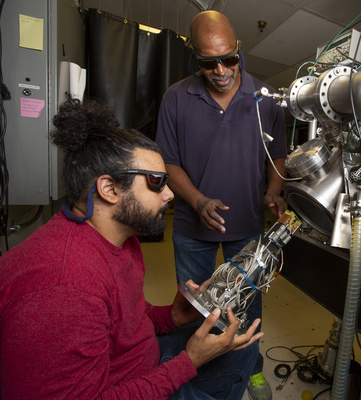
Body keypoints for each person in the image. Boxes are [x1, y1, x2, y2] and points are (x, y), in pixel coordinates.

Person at [0, 97, 263, 400]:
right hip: (119, 388)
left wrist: (174, 316)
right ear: (109, 189)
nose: (169, 195)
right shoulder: (64, 287)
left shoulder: (120, 237)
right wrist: (189, 362)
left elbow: (125, 323)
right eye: (157, 182)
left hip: (140, 361)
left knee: (243, 344)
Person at [155, 10, 287, 400]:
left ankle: (250, 370)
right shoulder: (177, 98)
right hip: (192, 230)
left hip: (246, 225)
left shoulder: (266, 99)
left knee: (246, 306)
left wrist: (273, 191)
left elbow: (277, 156)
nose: (221, 70)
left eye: (229, 58)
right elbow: (167, 161)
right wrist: (196, 201)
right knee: (193, 308)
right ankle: (188, 376)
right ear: (194, 57)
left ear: (239, 48)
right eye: (208, 62)